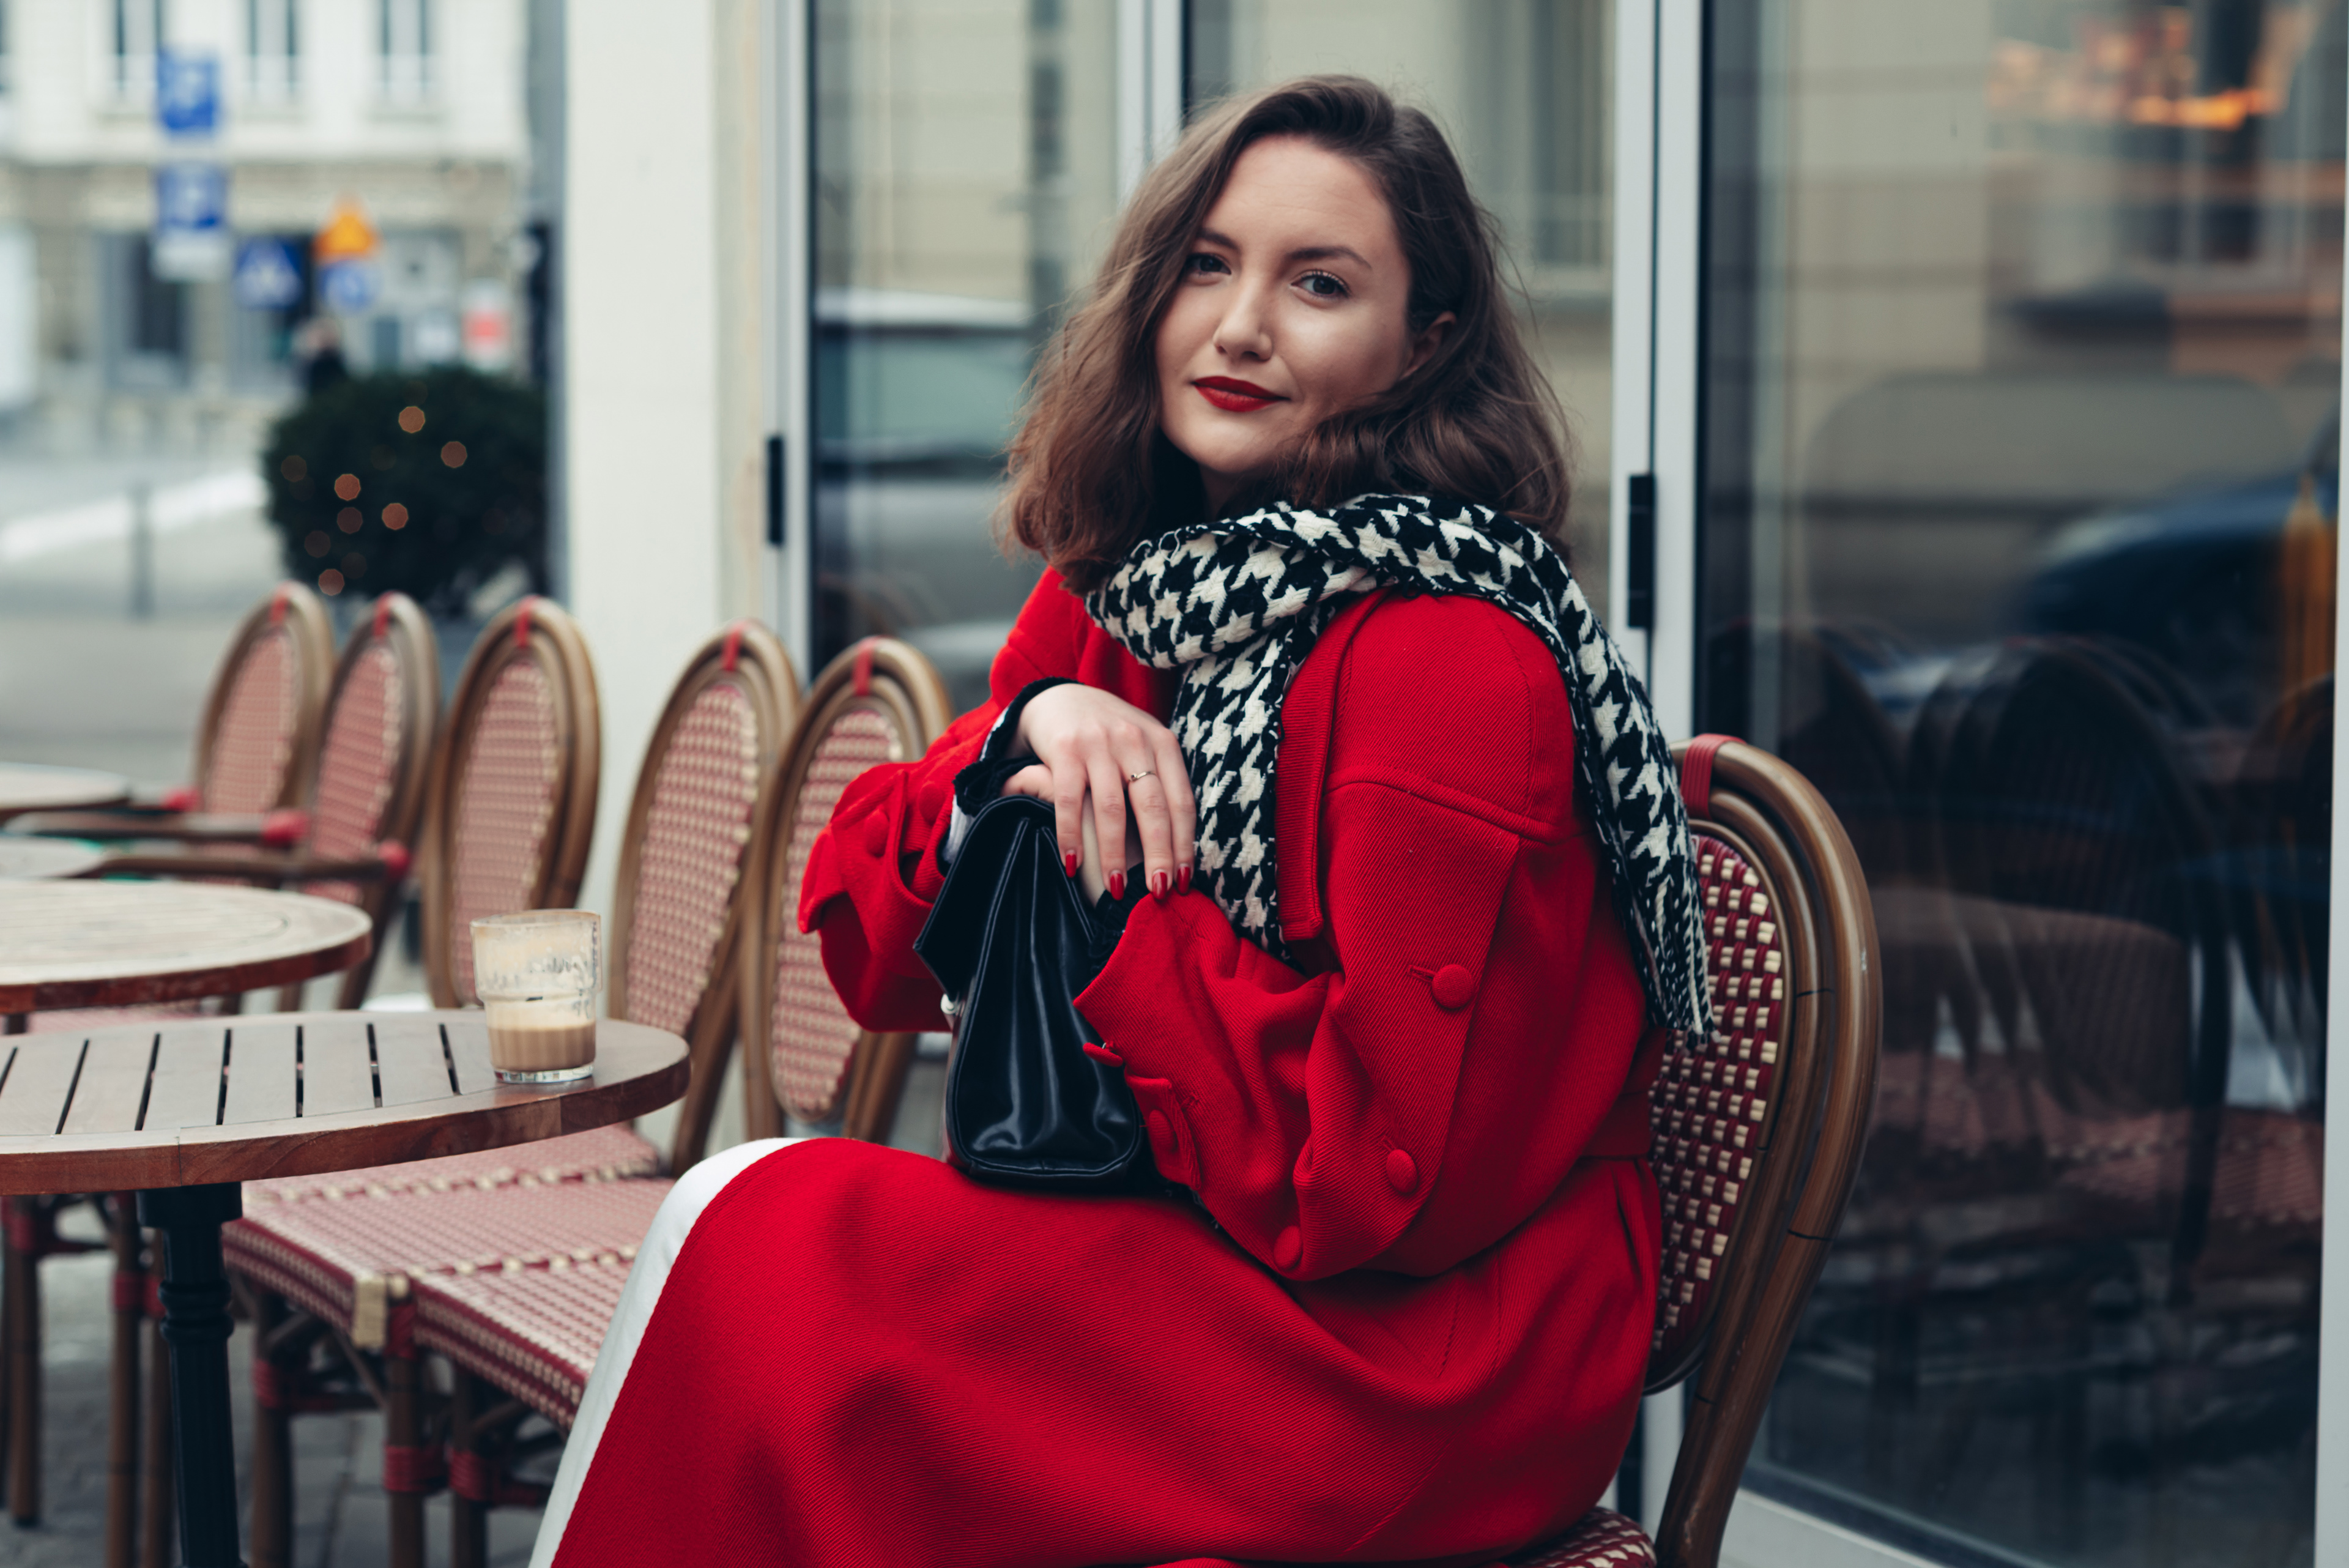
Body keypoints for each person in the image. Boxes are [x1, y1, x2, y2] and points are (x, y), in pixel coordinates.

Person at [531, 76, 1709, 1568]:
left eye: (1319, 284)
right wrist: (1016, 743)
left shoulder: (1448, 661)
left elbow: (1382, 1180)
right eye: (1208, 265)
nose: (1240, 327)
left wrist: (1107, 909)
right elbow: (870, 951)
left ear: (1425, 344)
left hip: (1424, 1355)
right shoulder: (1145, 590)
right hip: (1208, 1237)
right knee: (755, 1227)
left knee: (772, 1236)